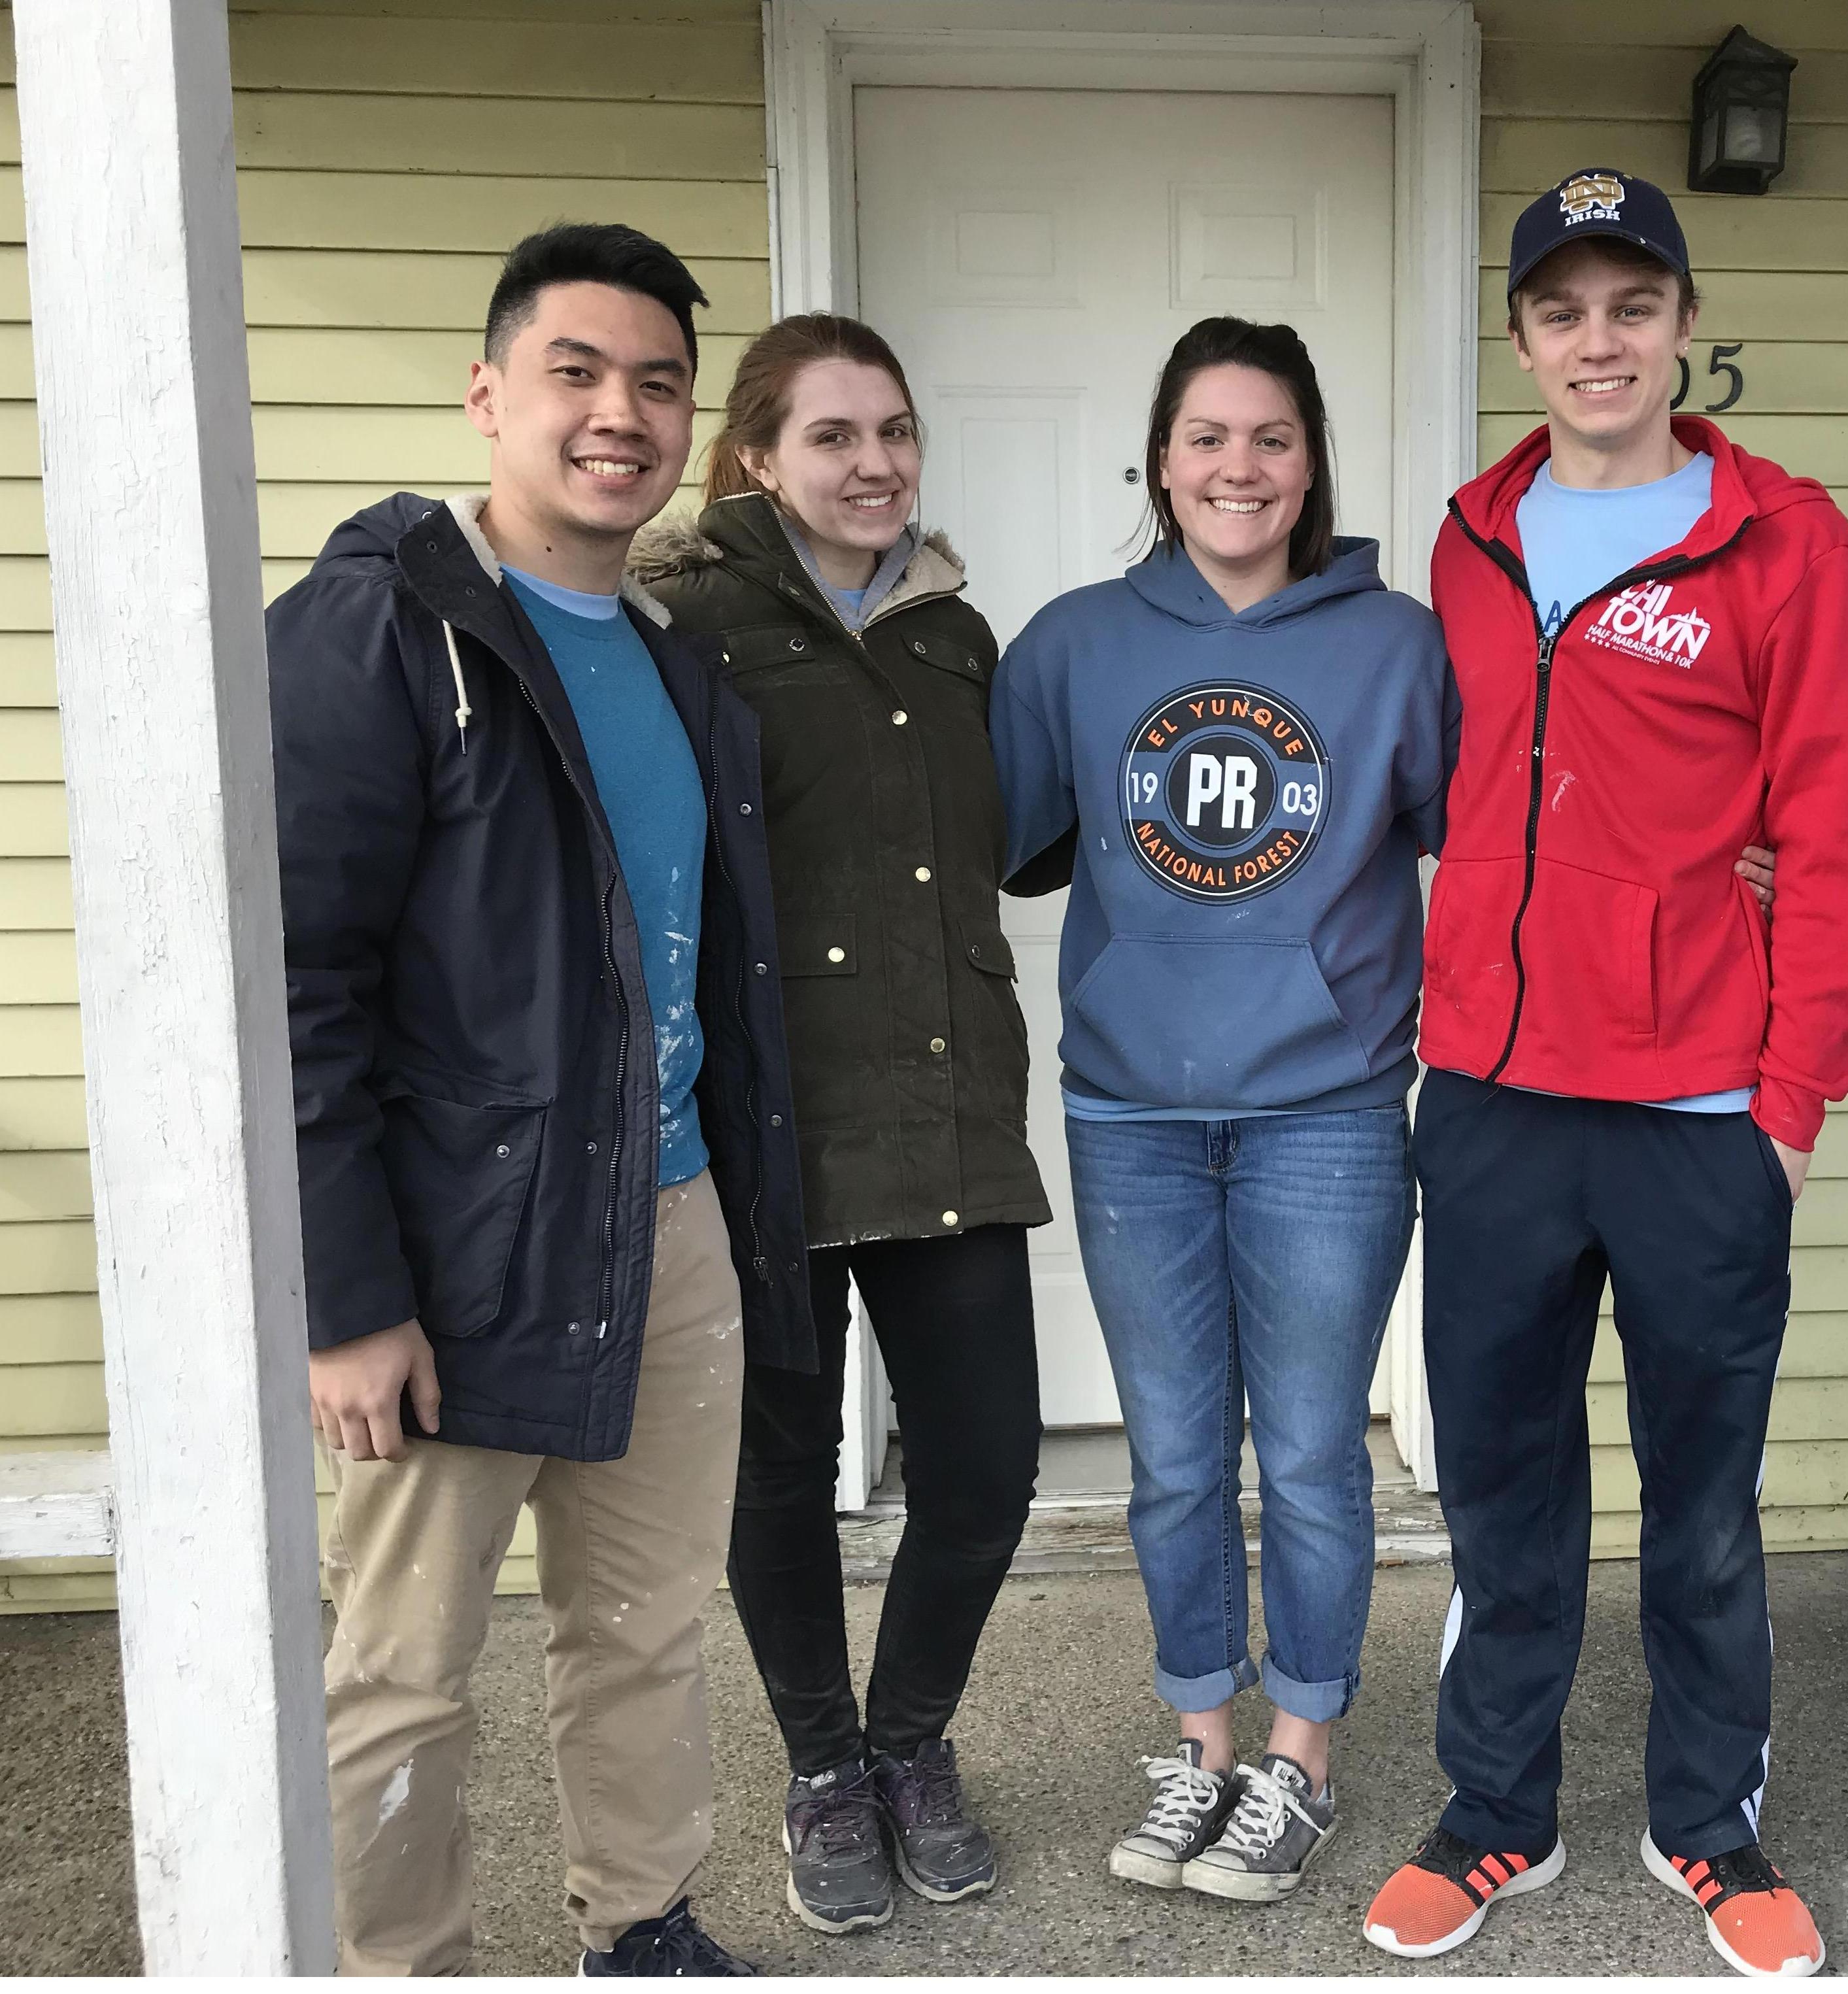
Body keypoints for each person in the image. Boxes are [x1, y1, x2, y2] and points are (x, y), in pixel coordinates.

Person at [267, 223, 816, 1977]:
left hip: (667, 1228)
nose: (618, 412)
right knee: (404, 1661)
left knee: (644, 1623)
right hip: (454, 1247)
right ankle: (396, 1958)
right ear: (488, 392)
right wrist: (347, 1298)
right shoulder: (380, 635)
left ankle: (638, 1919)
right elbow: (292, 984)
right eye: (575, 372)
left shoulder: (675, 658)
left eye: (657, 382)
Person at [1361, 171, 1848, 1978]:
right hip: (1498, 1099)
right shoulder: (1467, 537)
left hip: (1697, 1117)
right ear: (1524, 339)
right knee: (1504, 1483)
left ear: (1681, 326)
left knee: (1705, 1501)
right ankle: (1493, 1810)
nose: (1601, 340)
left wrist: (1791, 1102)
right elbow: (1449, 785)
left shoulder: (1787, 542)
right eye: (1564, 310)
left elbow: (1832, 828)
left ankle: (1709, 1830)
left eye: (1632, 305)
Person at [988, 316, 1448, 1904]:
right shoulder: (1069, 644)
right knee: (1178, 1457)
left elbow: (1508, 831)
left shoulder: (1395, 645)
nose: (1235, 467)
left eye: (1268, 437)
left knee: (1315, 1454)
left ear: (1309, 459)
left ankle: (1297, 1756)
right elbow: (991, 836)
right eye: (1205, 437)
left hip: (1325, 1107)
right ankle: (1197, 1742)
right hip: (1131, 1115)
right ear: (1160, 460)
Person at [631, 314, 1051, 1936]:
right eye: (833, 437)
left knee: (987, 1467)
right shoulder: (688, 626)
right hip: (770, 1128)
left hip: (948, 1116)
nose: (874, 464)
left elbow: (1030, 836)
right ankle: (823, 1767)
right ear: (756, 456)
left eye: (895, 432)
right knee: (779, 1474)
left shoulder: (957, 639)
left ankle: (907, 1741)